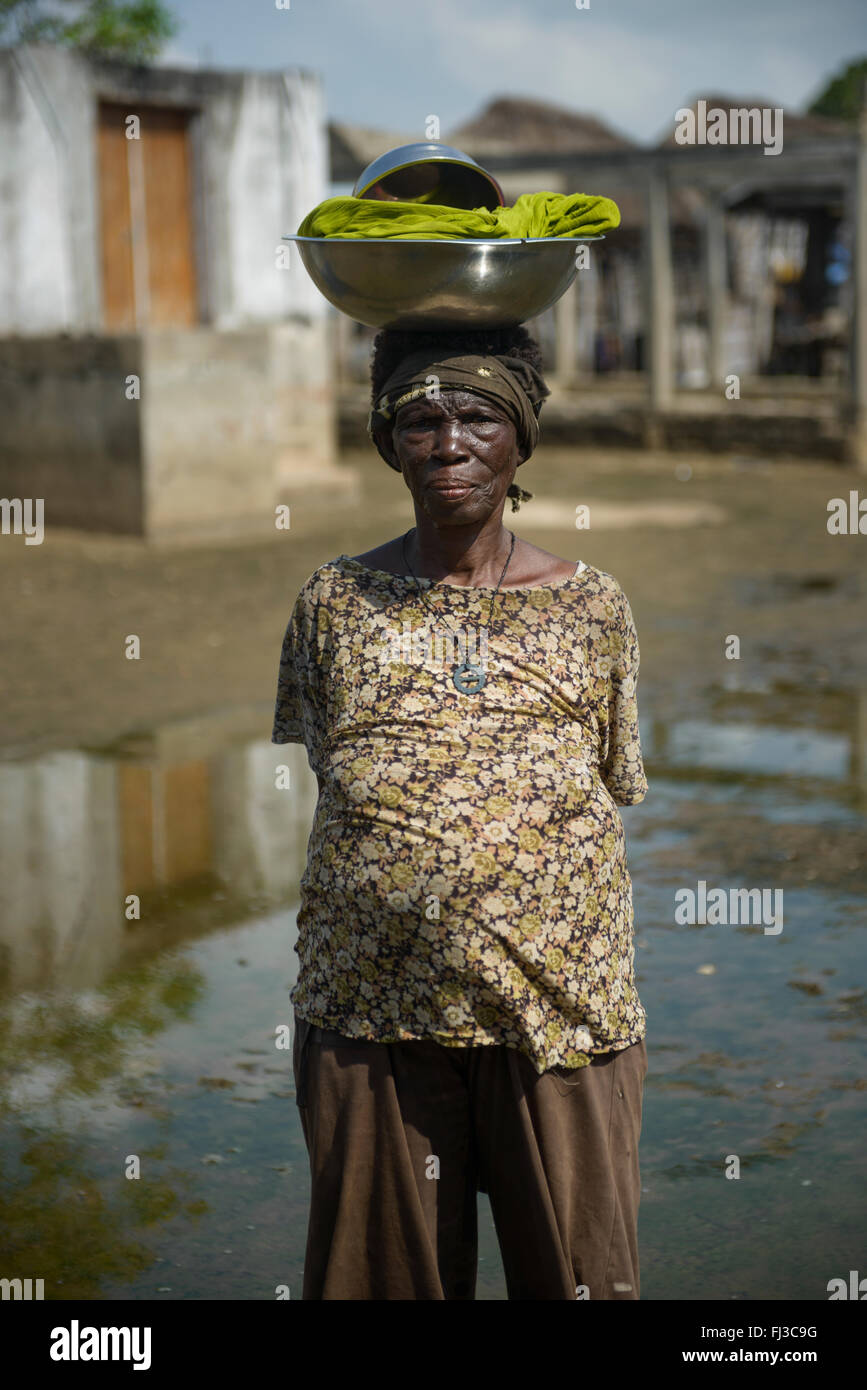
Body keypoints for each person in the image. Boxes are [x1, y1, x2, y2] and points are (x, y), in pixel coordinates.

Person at [271, 324, 649, 1301]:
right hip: (370, 1007)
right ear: (388, 440)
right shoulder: (335, 600)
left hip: (555, 1011)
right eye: (421, 419)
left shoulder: (591, 606)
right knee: (379, 1280)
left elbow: (608, 775)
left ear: (520, 438)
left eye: (477, 415)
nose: (448, 443)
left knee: (574, 1275)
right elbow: (335, 769)